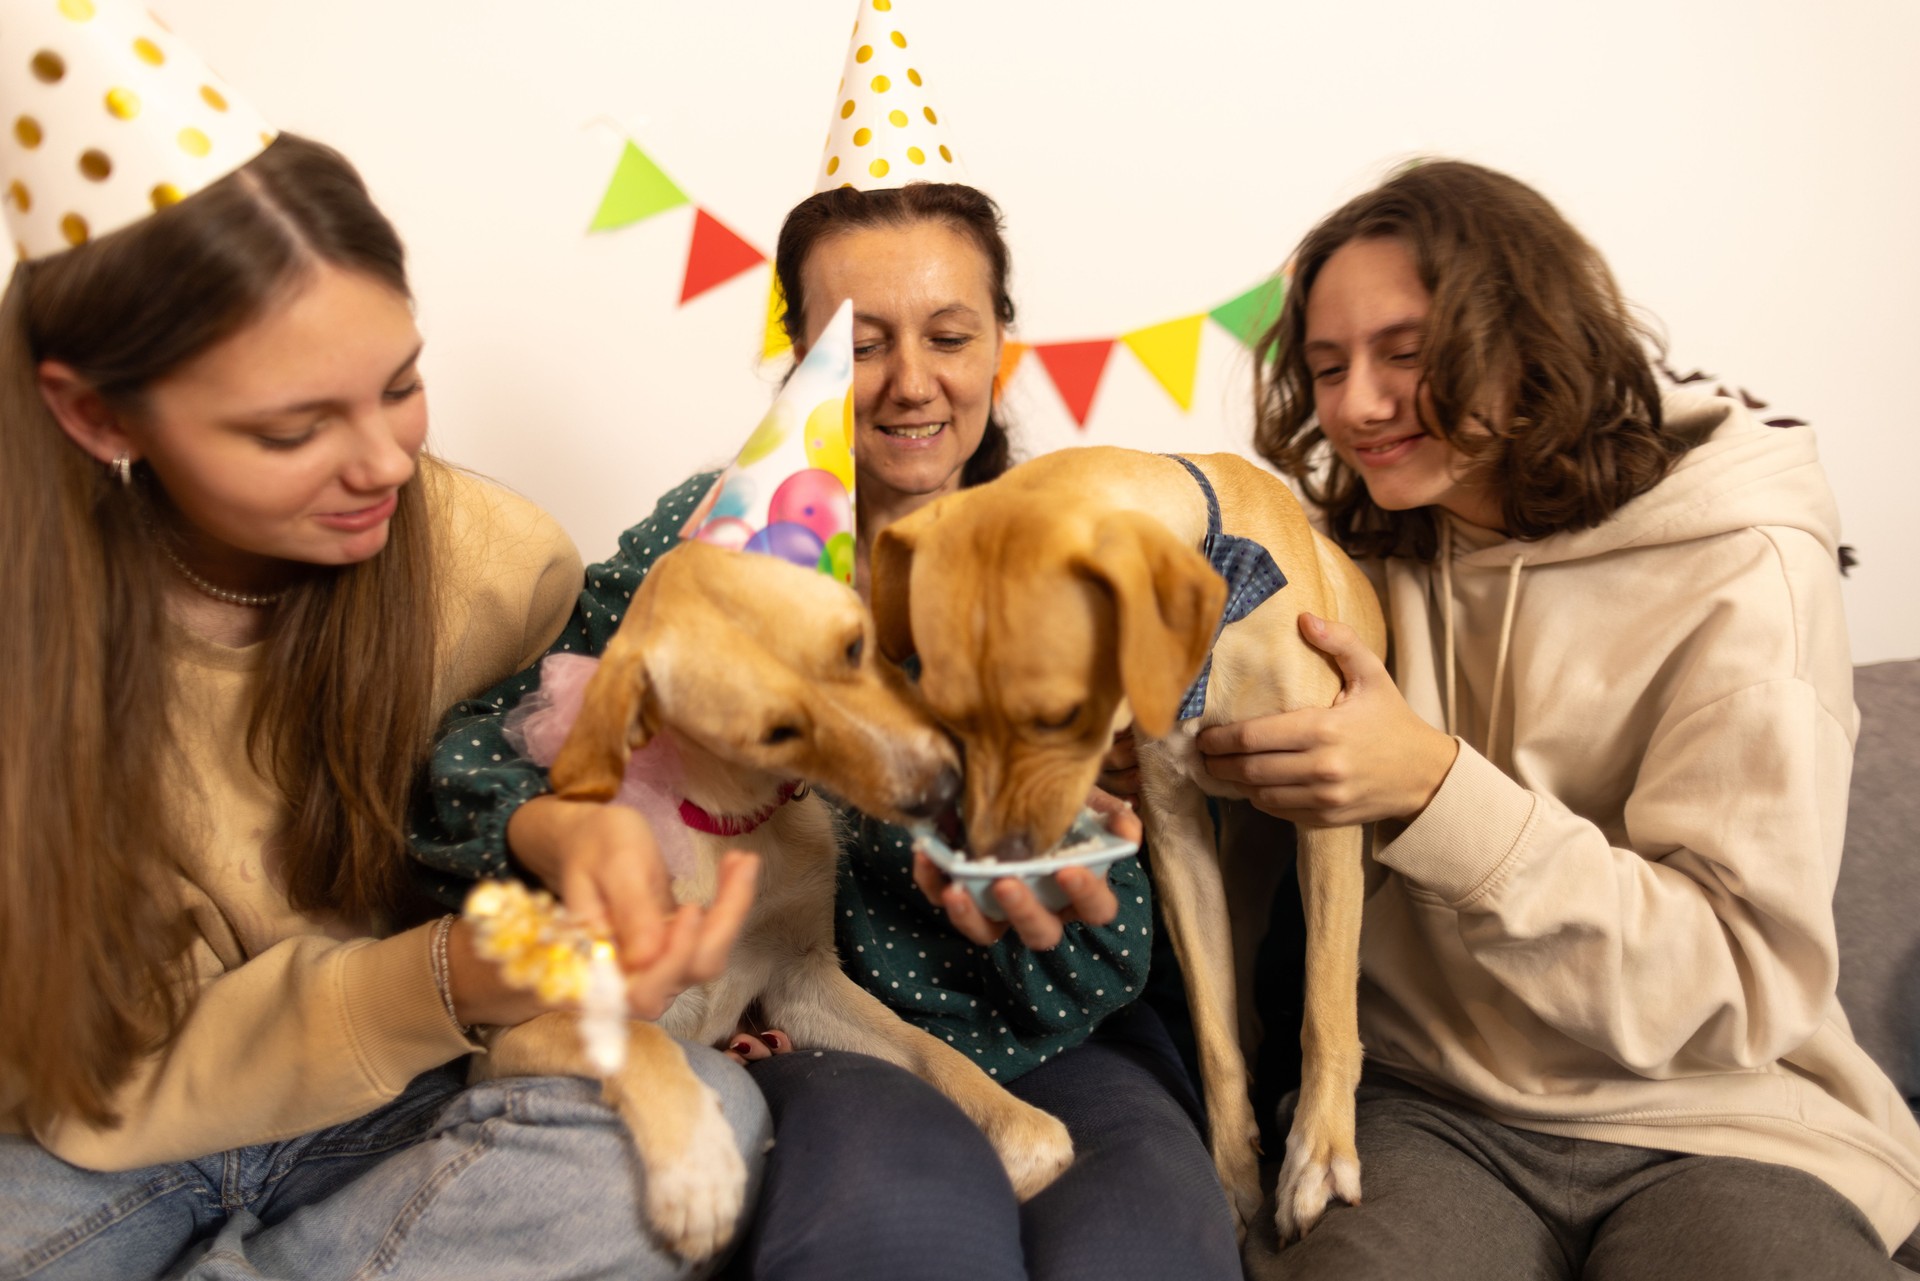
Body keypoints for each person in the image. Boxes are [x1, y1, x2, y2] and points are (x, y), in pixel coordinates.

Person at [413, 180, 1241, 1281]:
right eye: (858, 344)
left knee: (1141, 1257)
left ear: (1001, 346)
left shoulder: (1079, 550)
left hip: (1048, 1038)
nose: (912, 382)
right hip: (820, 1042)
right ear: (798, 355)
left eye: (951, 335)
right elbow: (470, 767)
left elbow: (1114, 943)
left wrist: (1045, 880)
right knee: (901, 1243)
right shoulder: (718, 541)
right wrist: (563, 836)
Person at [0, 128, 769, 1280]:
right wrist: (446, 972)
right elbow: (83, 1077)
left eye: (401, 386)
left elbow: (570, 824)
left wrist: (585, 884)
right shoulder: (30, 642)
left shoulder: (502, 568)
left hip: (412, 1110)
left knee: (689, 1126)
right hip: (96, 1129)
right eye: (292, 430)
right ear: (101, 418)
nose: (386, 463)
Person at [1195, 159, 1920, 1278]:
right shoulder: (1363, 559)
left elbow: (1736, 986)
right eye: (1328, 367)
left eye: (1405, 353)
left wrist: (1437, 790)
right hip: (1431, 1106)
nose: (1354, 407)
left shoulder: (1747, 568)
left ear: (1527, 333)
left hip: (1724, 1120)